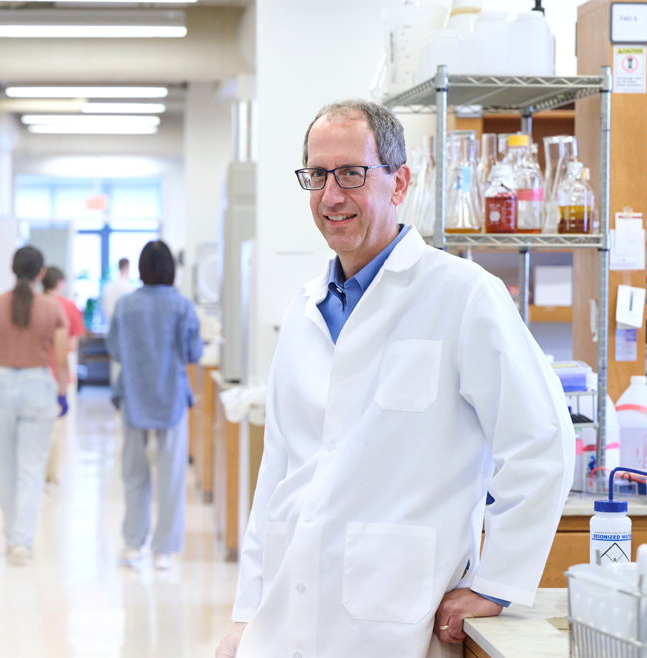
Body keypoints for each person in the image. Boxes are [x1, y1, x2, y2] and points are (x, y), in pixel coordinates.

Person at [216, 100, 574, 658]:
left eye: (352, 174)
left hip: (396, 625)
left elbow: (541, 441)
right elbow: (278, 473)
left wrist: (495, 584)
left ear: (399, 181)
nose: (332, 195)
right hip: (287, 622)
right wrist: (247, 615)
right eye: (317, 175)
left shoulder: (462, 295)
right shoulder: (303, 310)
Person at [0, 246, 70, 567]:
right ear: (41, 273)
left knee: (5, 468)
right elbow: (62, 360)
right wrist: (62, 393)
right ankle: (22, 540)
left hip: (0, 388)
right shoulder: (54, 310)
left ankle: (12, 535)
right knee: (31, 469)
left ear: (12, 268)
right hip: (39, 387)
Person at [107, 241, 203, 571]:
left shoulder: (125, 306)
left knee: (134, 472)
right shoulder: (182, 306)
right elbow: (194, 354)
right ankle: (164, 550)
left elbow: (117, 351)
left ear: (142, 269)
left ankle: (133, 543)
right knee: (171, 474)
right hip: (172, 397)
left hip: (133, 394)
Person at [42, 266, 87, 484]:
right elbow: (70, 346)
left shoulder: (34, 304)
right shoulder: (69, 307)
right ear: (59, 283)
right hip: (58, 374)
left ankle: (38, 473)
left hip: (36, 370)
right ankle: (52, 474)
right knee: (57, 428)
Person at [101, 257, 138, 325]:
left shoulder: (108, 288)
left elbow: (105, 311)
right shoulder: (131, 289)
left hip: (111, 329)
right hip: (126, 329)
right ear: (128, 267)